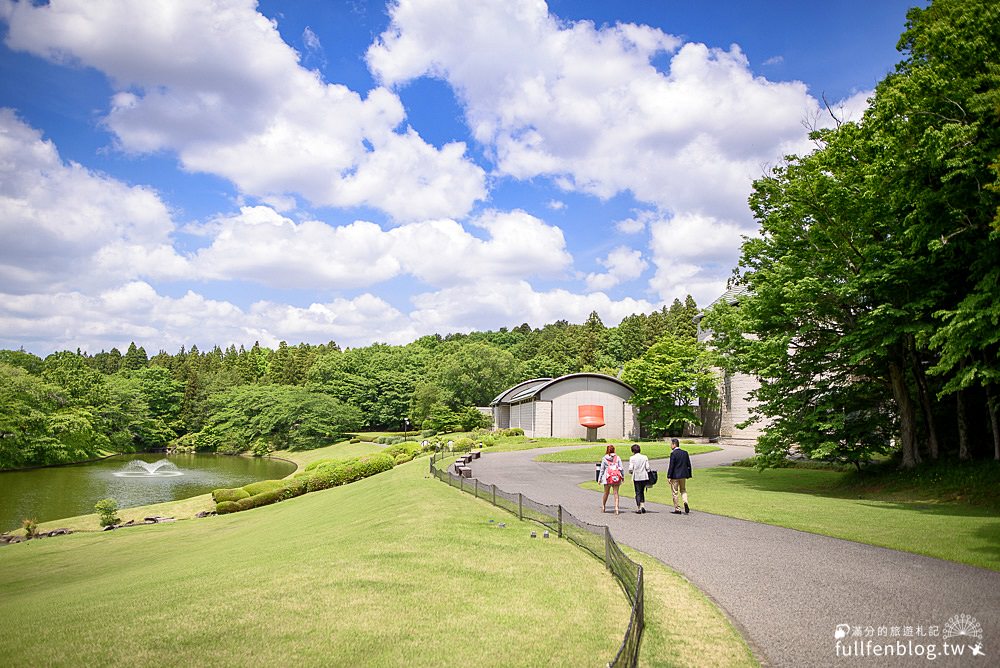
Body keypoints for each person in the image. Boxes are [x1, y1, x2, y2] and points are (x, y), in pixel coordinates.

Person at [666, 437, 692, 515]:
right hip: (683, 475)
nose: (670, 446)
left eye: (671, 444)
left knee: (675, 492)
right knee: (683, 490)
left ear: (674, 444)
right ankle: (685, 501)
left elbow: (671, 466)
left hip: (675, 476)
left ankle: (677, 508)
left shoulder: (673, 454)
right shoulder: (685, 453)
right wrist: (689, 474)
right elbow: (688, 464)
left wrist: (669, 476)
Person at [598, 445, 624, 515]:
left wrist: (599, 479)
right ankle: (616, 508)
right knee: (616, 493)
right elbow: (621, 468)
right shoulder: (617, 458)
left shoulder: (604, 458)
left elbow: (602, 470)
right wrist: (622, 477)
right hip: (616, 477)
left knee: (606, 493)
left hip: (607, 477)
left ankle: (603, 506)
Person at [627, 443, 650, 514]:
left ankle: (639, 507)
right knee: (642, 491)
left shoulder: (632, 458)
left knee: (637, 492)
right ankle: (643, 505)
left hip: (636, 476)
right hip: (644, 476)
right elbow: (648, 468)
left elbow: (631, 468)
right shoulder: (645, 457)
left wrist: (631, 472)